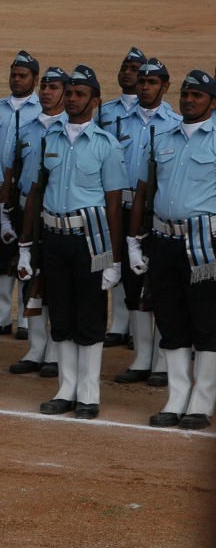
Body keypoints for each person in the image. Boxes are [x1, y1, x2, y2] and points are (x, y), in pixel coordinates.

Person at [19, 64, 125, 420]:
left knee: (90, 315)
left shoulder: (107, 145)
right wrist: (26, 244)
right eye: (70, 94)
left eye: (81, 95)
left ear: (95, 100)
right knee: (60, 313)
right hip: (53, 236)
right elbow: (35, 191)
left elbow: (113, 203)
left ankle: (89, 392)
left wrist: (114, 258)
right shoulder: (48, 139)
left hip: (89, 238)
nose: (73, 100)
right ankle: (66, 388)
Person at [129, 70, 216, 429]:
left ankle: (202, 400)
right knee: (170, 318)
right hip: (164, 240)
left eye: (197, 94)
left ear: (212, 101)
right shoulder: (164, 138)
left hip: (203, 243)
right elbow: (145, 192)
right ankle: (177, 395)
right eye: (185, 93)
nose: (188, 100)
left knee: (207, 322)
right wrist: (136, 242)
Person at [112, 58, 180, 387]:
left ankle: (164, 357)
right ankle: (141, 357)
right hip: (125, 209)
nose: (144, 87)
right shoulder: (118, 120)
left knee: (163, 285)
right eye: (141, 81)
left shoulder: (176, 123)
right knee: (133, 282)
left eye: (152, 82)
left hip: (160, 213)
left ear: (165, 87)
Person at [6, 66, 67, 378]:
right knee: (28, 278)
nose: (46, 91)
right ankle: (35, 346)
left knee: (55, 282)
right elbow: (14, 169)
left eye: (53, 86)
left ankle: (56, 349)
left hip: (56, 213)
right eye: (44, 85)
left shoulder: (70, 128)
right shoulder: (27, 128)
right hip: (25, 210)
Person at [0, 50, 42, 338]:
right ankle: (1, 314)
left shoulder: (42, 110)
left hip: (27, 192)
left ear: (35, 78)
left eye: (23, 75)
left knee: (26, 250)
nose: (17, 80)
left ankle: (25, 316)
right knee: (0, 254)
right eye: (14, 75)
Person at [99, 46, 146, 348]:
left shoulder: (166, 117)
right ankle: (119, 321)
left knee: (138, 264)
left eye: (134, 68)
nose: (127, 72)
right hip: (112, 200)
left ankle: (137, 325)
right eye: (124, 67)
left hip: (140, 203)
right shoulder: (105, 112)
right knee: (113, 256)